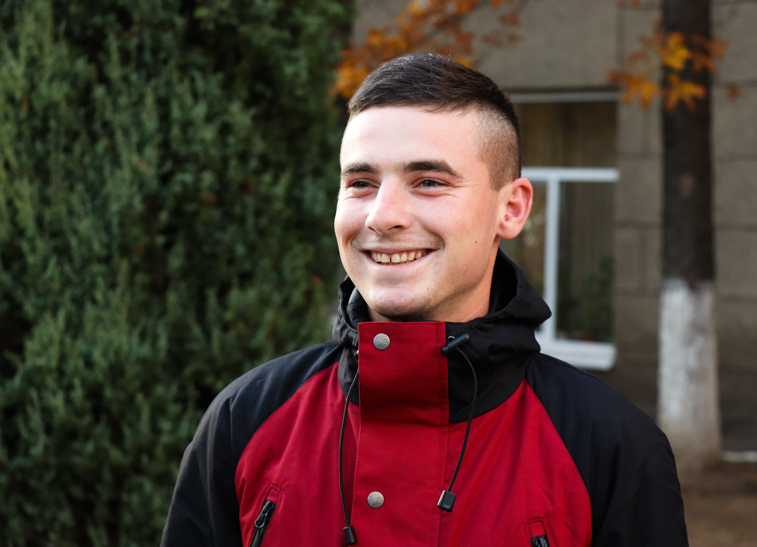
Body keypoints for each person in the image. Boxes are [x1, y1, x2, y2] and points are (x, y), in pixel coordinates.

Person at [161, 54, 688, 547]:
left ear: (511, 209)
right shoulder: (245, 420)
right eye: (361, 182)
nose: (382, 216)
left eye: (429, 181)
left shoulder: (610, 448)